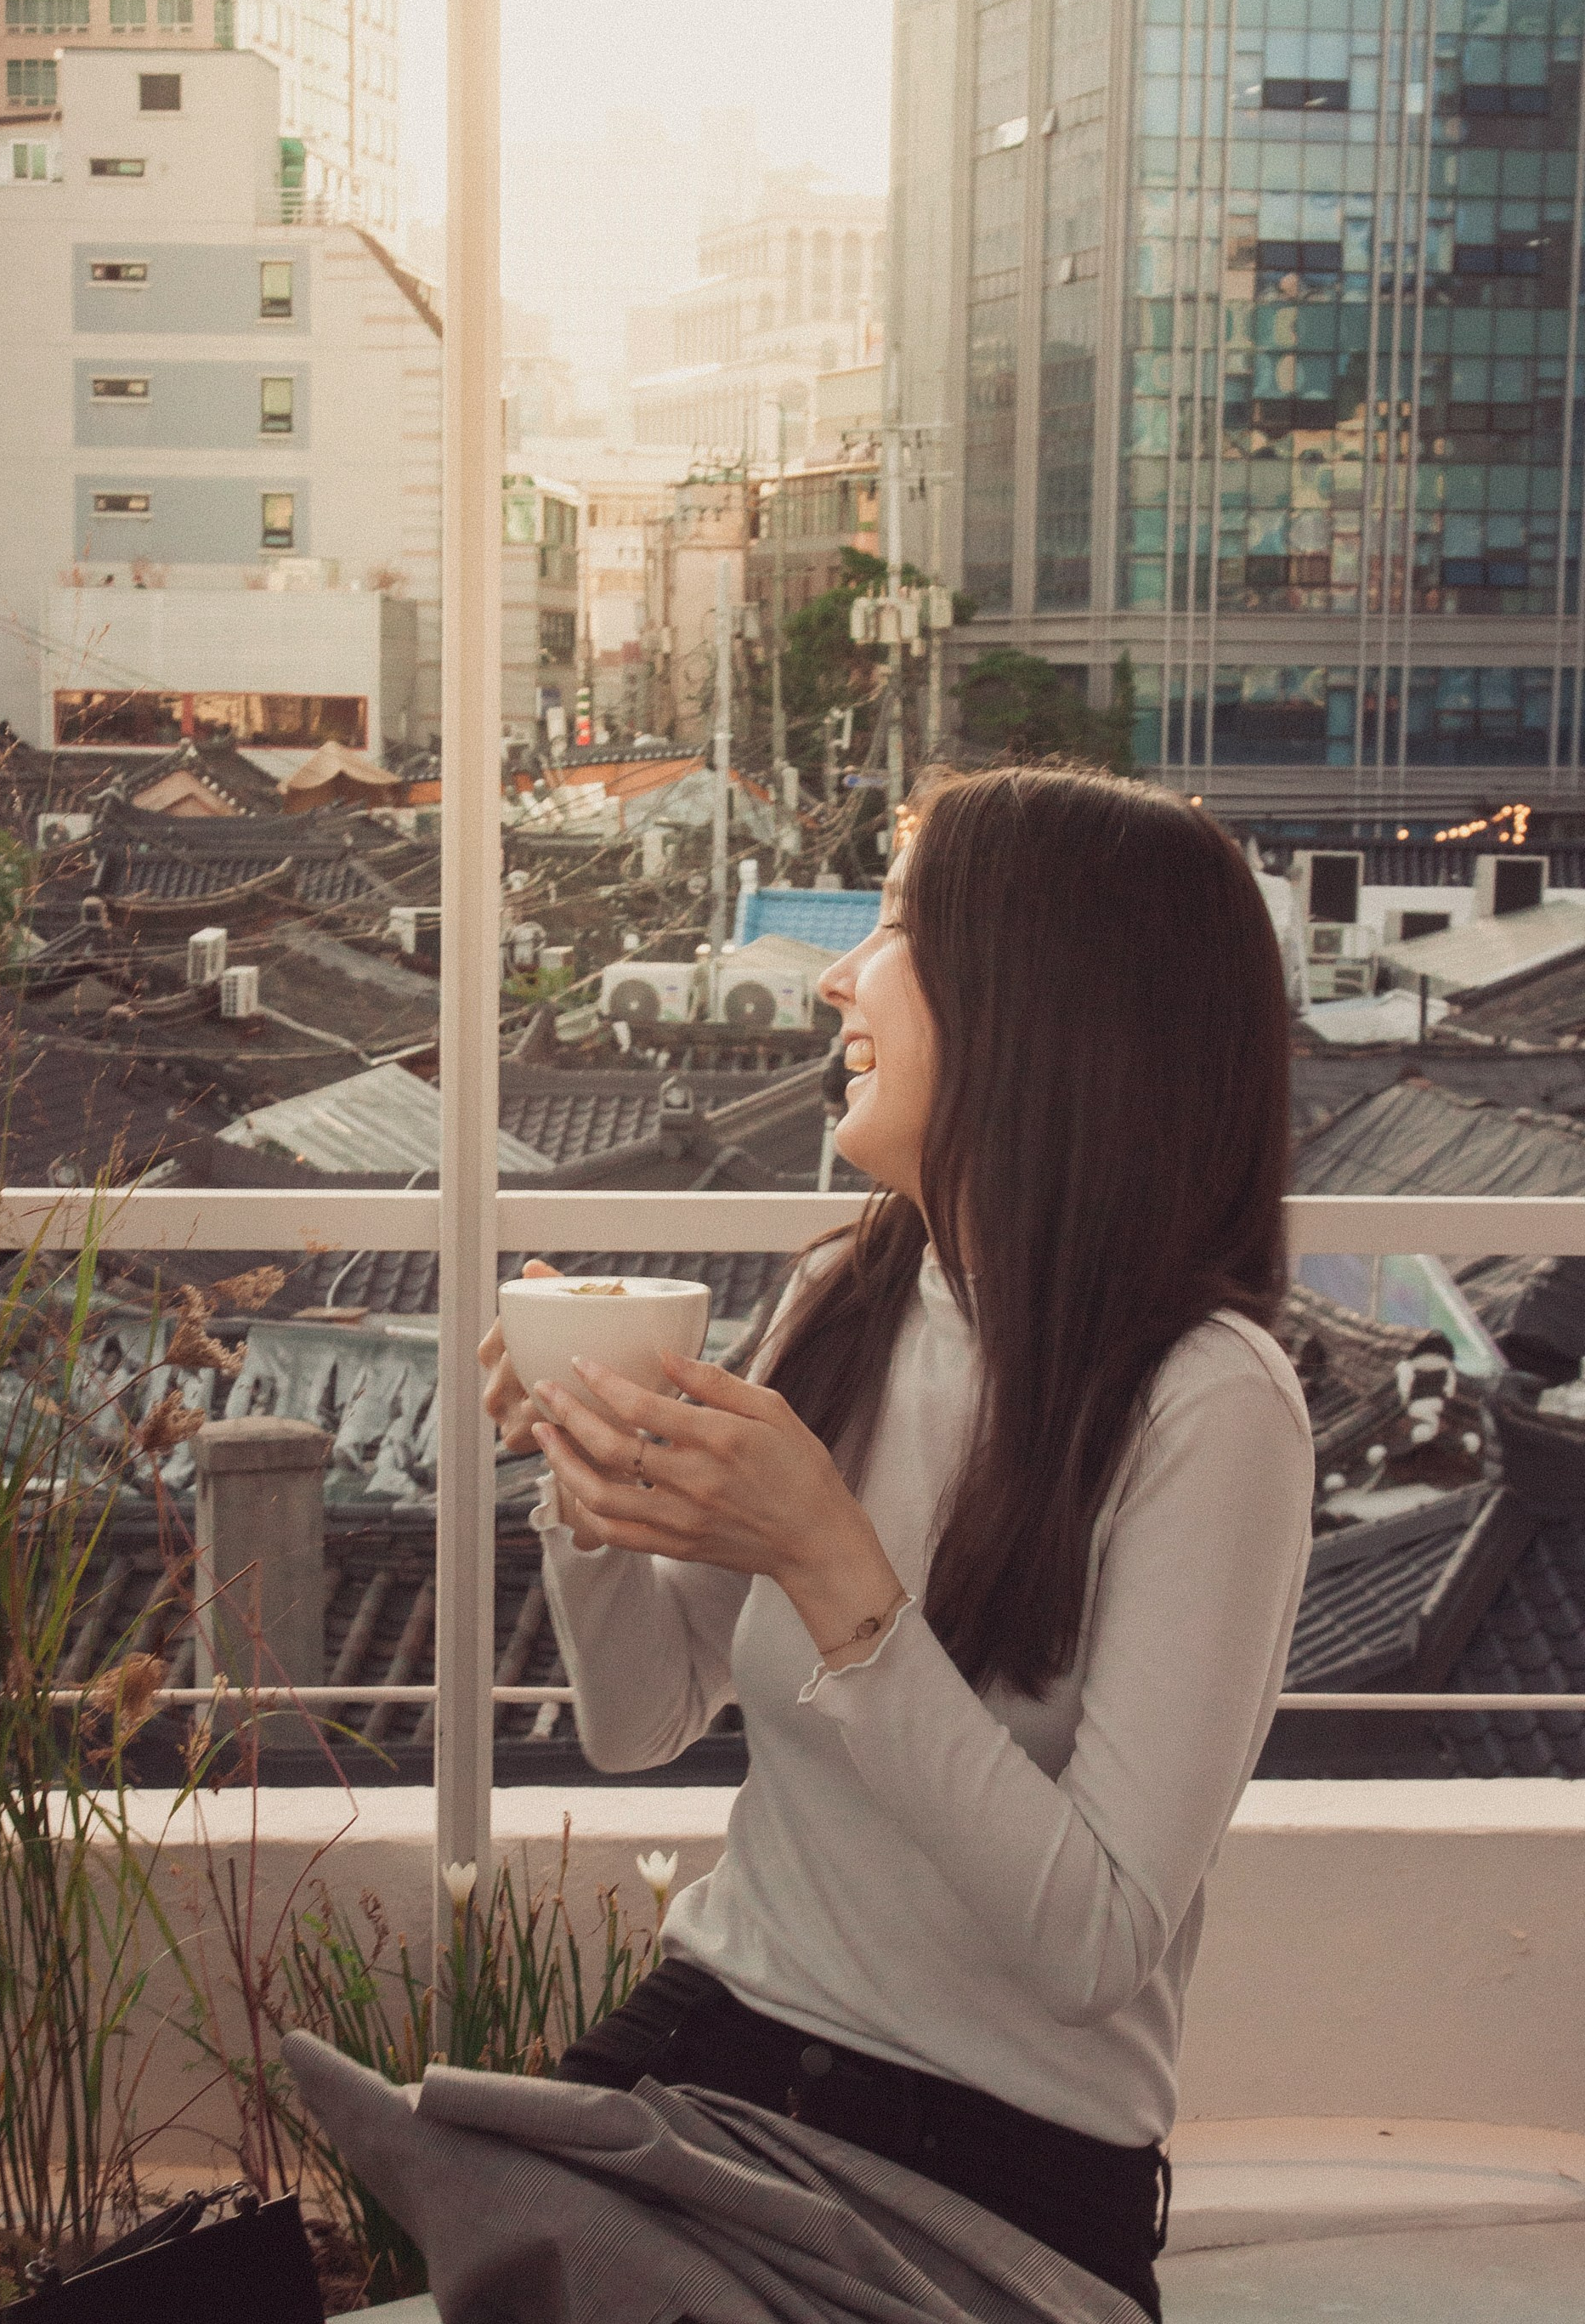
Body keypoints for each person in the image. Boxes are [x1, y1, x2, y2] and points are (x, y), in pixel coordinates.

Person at [478, 765, 1316, 2324]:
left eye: (897, 927)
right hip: (720, 2039)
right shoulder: (851, 1300)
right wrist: (577, 1483)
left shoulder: (1211, 1408)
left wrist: (837, 1574)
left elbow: (1094, 1945)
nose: (837, 976)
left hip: (993, 2161)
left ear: (1040, 1003)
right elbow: (636, 1719)